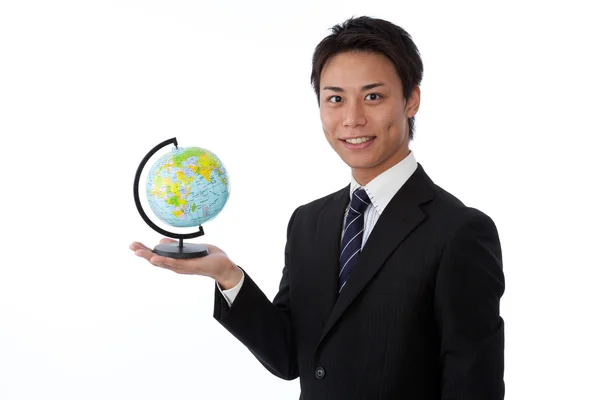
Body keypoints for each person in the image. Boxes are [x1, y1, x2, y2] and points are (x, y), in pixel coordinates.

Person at [130, 16, 505, 400]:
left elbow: (474, 386)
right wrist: (228, 277)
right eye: (335, 98)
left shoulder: (459, 232)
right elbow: (290, 357)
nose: (352, 118)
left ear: (411, 100)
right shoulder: (309, 222)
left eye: (373, 96)